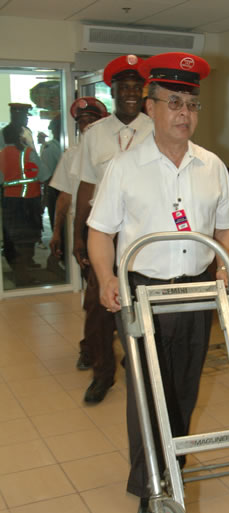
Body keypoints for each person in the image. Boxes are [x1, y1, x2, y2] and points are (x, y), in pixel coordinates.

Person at [87, 51, 229, 513]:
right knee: (146, 394)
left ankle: (175, 469)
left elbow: (228, 227)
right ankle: (151, 486)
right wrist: (107, 278)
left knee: (184, 386)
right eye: (173, 101)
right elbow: (99, 233)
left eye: (192, 103)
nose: (184, 112)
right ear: (150, 107)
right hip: (143, 292)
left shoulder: (212, 166)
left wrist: (221, 265)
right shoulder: (124, 167)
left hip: (195, 292)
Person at [71, 54, 153, 404]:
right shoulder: (95, 134)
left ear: (144, 91)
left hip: (147, 233)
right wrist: (78, 234)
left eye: (137, 87)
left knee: (144, 301)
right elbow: (86, 189)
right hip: (105, 233)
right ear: (113, 91)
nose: (131, 93)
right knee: (99, 306)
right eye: (124, 87)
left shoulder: (156, 129)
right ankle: (102, 373)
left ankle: (141, 367)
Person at [49, 98, 108, 365]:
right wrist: (57, 233)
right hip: (86, 230)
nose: (86, 127)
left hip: (119, 231)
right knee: (95, 298)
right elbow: (64, 197)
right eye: (81, 123)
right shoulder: (71, 155)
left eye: (91, 121)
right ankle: (91, 352)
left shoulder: (119, 150)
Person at [0, 120, 49, 286]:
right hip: (28, 202)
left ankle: (21, 270)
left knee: (13, 238)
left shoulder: (1, 154)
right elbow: (43, 174)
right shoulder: (27, 153)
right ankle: (24, 276)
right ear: (20, 136)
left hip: (9, 202)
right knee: (27, 239)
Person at [41, 115, 62, 230]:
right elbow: (48, 177)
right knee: (57, 224)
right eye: (58, 127)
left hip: (65, 190)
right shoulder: (50, 148)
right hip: (55, 191)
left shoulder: (64, 145)